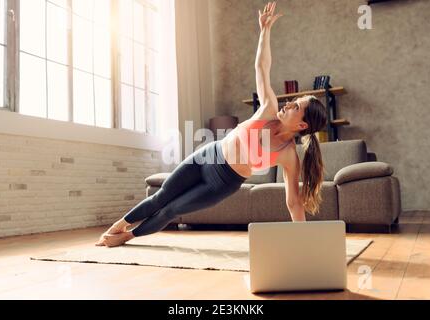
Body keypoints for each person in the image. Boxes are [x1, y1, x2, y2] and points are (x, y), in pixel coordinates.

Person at [96, 1, 327, 248]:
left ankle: (126, 237)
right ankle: (117, 225)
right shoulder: (268, 108)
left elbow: (293, 202)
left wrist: (304, 241)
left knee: (171, 210)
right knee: (162, 196)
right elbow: (262, 67)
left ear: (302, 126)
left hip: (222, 183)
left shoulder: (289, 155)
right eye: (293, 101)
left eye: (296, 107)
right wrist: (265, 31)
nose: (288, 104)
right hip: (208, 155)